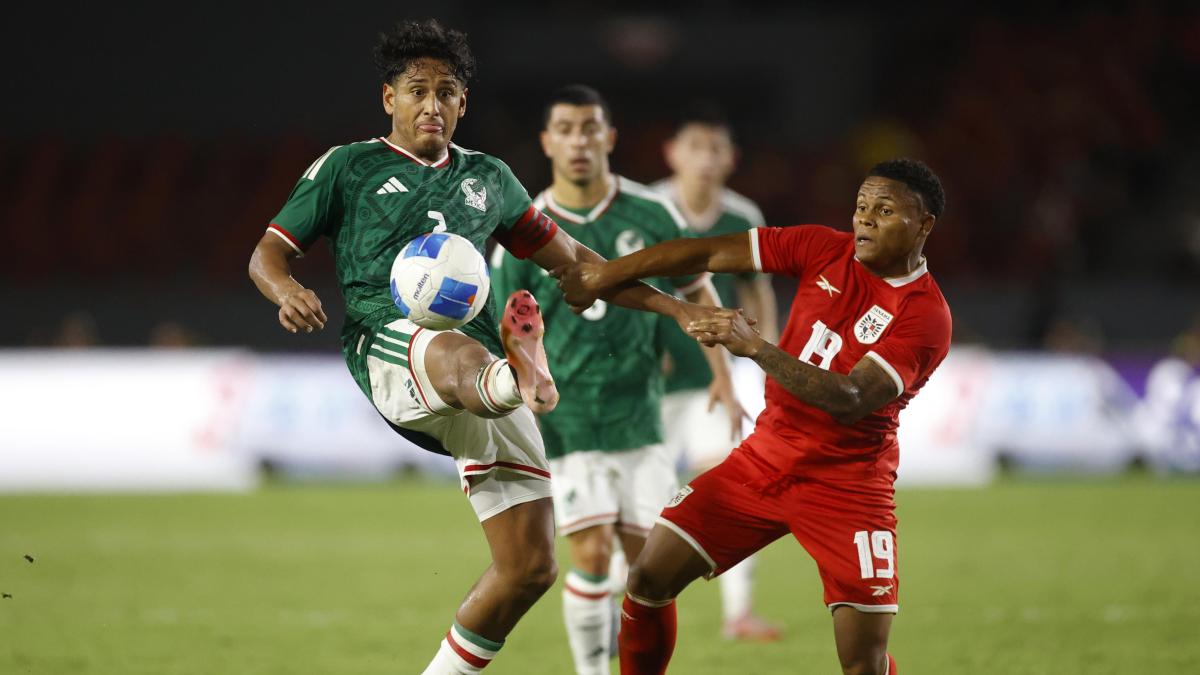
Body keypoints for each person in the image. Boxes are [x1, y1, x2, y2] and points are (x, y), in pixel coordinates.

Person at [247, 20, 718, 675]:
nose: (432, 104)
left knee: (529, 566)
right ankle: (521, 375)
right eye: (417, 90)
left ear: (463, 104)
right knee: (454, 351)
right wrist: (285, 290)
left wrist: (673, 306)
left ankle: (514, 378)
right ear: (389, 99)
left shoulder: (490, 179)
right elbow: (268, 253)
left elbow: (579, 266)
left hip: (482, 374)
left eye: (446, 92)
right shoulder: (348, 167)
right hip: (391, 347)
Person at [554, 158, 951, 675]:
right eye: (860, 207)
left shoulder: (925, 314)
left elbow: (851, 398)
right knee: (649, 576)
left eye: (885, 210)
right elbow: (709, 251)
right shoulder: (823, 248)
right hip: (763, 461)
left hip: (849, 487)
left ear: (924, 226)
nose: (865, 221)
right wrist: (606, 274)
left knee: (863, 661)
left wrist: (754, 347)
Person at [491, 85, 741, 675]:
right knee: (592, 552)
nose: (579, 141)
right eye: (567, 130)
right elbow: (507, 329)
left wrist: (723, 374)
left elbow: (696, 287)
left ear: (610, 138)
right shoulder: (525, 230)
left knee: (649, 569)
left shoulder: (650, 214)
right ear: (548, 141)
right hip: (568, 422)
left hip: (640, 414)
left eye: (590, 128)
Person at [652, 105, 782, 641]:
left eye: (716, 149)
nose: (705, 159)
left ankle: (738, 613)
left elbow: (757, 290)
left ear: (731, 159)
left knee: (724, 489)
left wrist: (767, 356)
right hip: (649, 380)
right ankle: (634, 608)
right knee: (646, 503)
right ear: (673, 153)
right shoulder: (648, 208)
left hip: (717, 375)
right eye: (696, 147)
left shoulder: (742, 216)